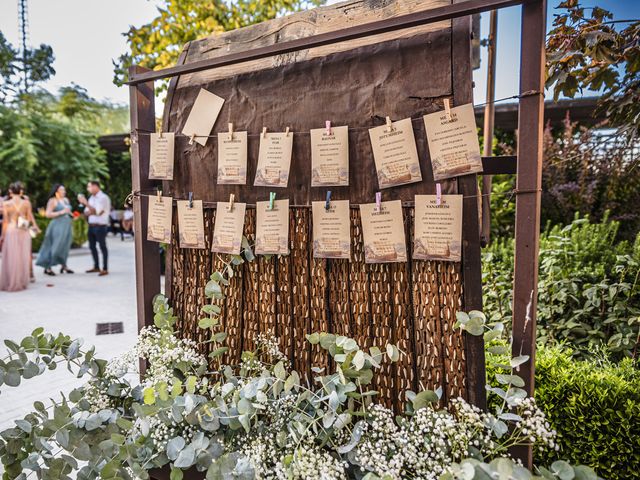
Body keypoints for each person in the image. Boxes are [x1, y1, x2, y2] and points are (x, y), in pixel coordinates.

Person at [0, 182, 41, 291]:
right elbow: (29, 217)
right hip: (23, 230)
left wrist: (2, 236)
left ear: (10, 191)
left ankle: (11, 280)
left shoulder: (6, 204)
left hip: (11, 230)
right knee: (22, 256)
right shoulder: (26, 203)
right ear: (21, 191)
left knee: (12, 257)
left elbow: (5, 221)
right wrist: (35, 226)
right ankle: (22, 280)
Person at [35, 184, 74, 276]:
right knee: (55, 246)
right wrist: (62, 212)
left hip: (67, 225)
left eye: (64, 190)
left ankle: (64, 265)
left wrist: (72, 215)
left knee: (65, 246)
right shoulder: (52, 201)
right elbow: (48, 214)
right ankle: (47, 267)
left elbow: (68, 212)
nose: (64, 191)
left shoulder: (66, 200)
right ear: (56, 191)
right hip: (57, 225)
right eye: (61, 190)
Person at [78, 181, 111, 276]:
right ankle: (96, 266)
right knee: (92, 247)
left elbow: (98, 212)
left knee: (102, 247)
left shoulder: (103, 198)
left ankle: (105, 268)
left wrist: (86, 203)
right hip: (91, 226)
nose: (88, 189)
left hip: (100, 226)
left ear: (96, 186)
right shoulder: (91, 198)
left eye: (89, 186)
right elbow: (87, 212)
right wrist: (91, 210)